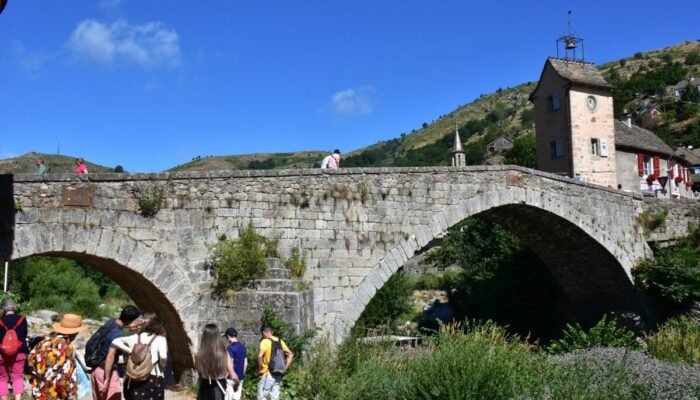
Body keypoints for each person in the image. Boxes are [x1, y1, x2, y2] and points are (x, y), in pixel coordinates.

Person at [105, 316, 168, 400]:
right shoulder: (160, 339)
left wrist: (130, 350)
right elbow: (163, 356)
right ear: (160, 328)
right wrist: (162, 366)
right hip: (152, 377)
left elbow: (115, 341)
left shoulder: (134, 337)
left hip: (133, 377)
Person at [28, 313, 86, 400]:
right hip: (56, 395)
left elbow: (30, 361)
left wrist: (38, 382)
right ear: (74, 333)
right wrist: (70, 395)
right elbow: (64, 378)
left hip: (40, 393)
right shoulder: (66, 347)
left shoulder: (44, 342)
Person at [89, 305, 141, 400]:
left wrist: (135, 328)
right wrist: (107, 380)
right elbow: (110, 357)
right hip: (107, 372)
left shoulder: (110, 324)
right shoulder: (118, 335)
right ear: (131, 321)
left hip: (96, 369)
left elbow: (123, 333)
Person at [195, 324, 239, 400]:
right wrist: (237, 383)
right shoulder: (224, 353)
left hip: (203, 387)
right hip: (218, 387)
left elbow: (198, 370)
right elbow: (231, 372)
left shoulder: (200, 354)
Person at [0, 299, 28, 400]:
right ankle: (18, 398)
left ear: (3, 309)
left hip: (2, 353)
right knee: (17, 377)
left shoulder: (0, 321)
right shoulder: (22, 319)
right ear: (15, 307)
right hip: (19, 352)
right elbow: (24, 335)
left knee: (2, 378)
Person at [257, 324, 293, 400]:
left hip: (267, 374)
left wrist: (260, 369)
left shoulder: (264, 341)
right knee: (274, 398)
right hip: (278, 374)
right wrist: (284, 369)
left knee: (261, 397)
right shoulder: (280, 341)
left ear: (264, 332)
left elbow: (260, 356)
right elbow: (290, 355)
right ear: (271, 332)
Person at [224, 328, 247, 400]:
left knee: (229, 397)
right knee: (237, 398)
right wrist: (241, 375)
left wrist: (226, 375)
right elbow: (246, 364)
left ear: (228, 336)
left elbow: (230, 363)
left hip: (231, 378)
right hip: (240, 378)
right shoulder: (243, 347)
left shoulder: (230, 347)